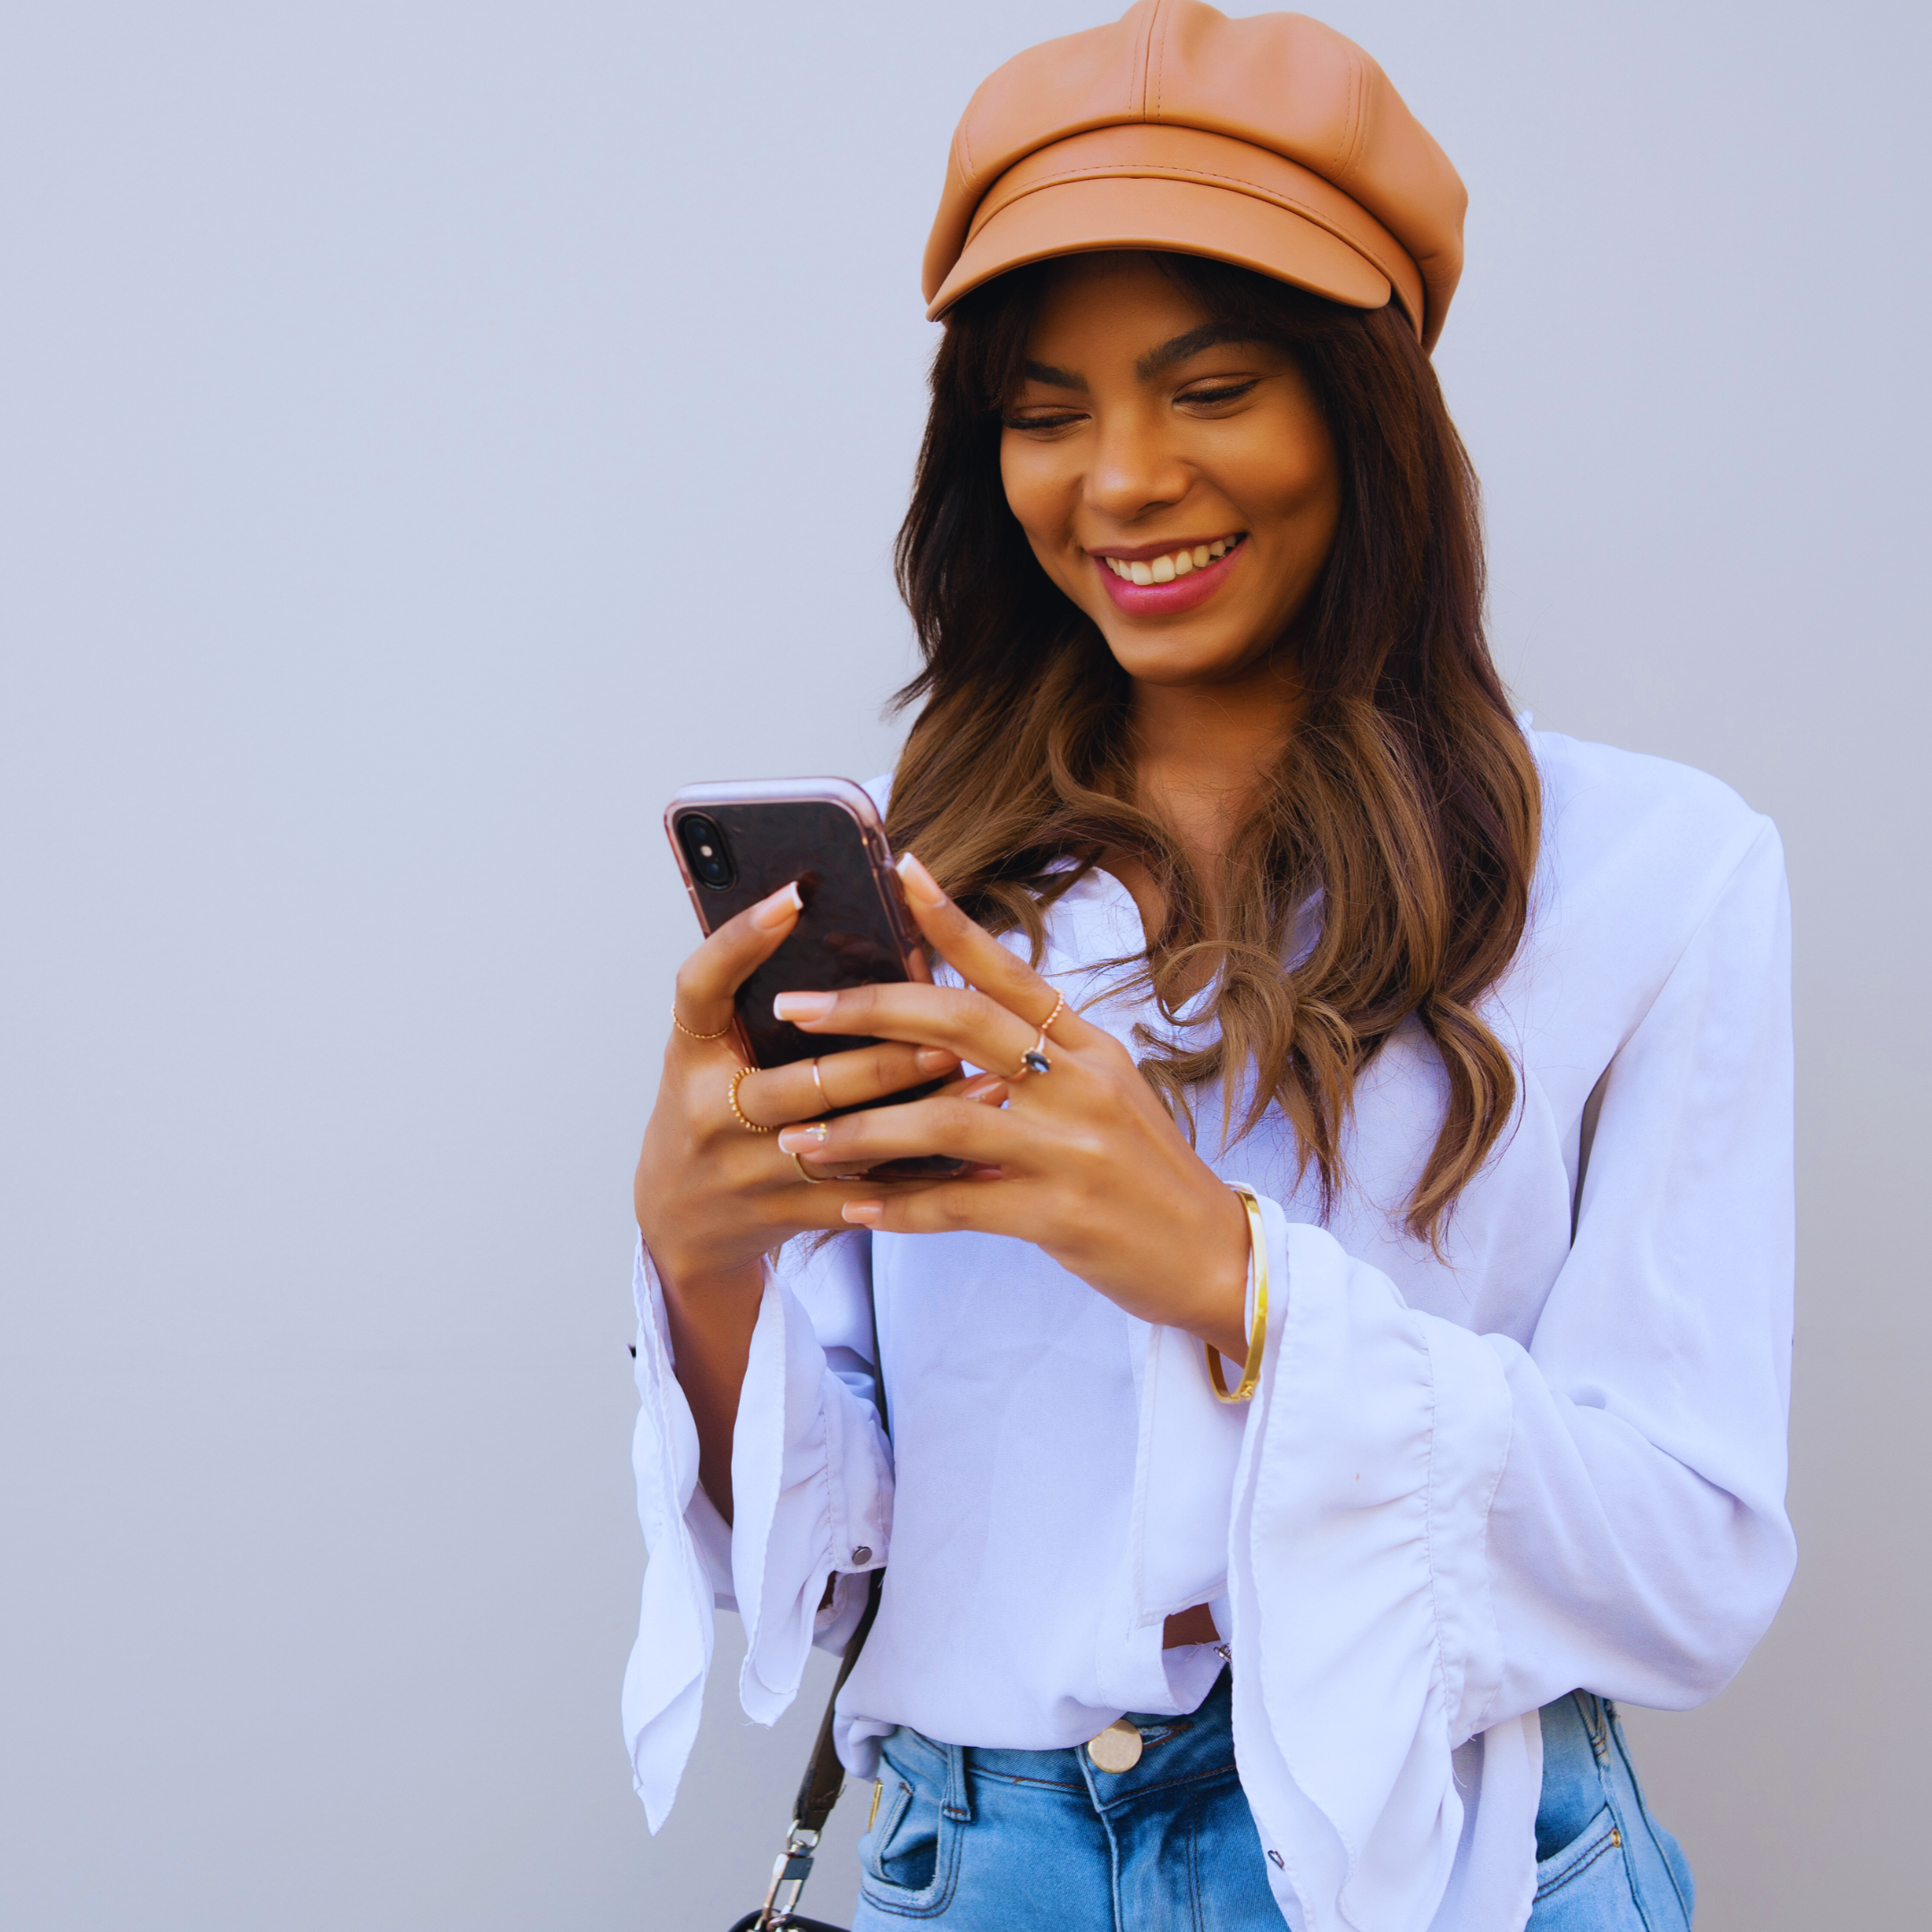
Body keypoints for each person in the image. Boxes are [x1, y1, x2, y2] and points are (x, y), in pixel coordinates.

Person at [623, 6, 1795, 1928]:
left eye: (1214, 385)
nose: (1122, 482)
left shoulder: (1656, 877)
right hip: (975, 1865)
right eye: (1048, 410)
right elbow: (823, 1576)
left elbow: (1689, 1568)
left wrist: (1239, 1284)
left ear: (1364, 403)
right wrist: (700, 1256)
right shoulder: (938, 901)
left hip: (1448, 1867)